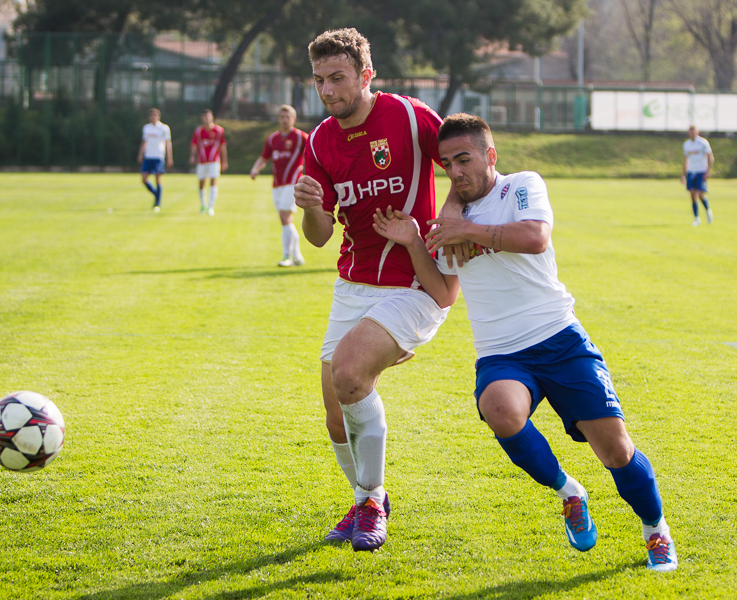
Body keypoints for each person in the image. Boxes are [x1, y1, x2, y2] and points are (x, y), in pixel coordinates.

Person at [372, 112, 678, 572]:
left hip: (559, 338)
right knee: (500, 410)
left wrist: (466, 230)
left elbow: (535, 237)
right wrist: (417, 242)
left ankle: (656, 530)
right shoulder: (446, 223)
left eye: (464, 159)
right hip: (501, 351)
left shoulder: (521, 186)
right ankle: (568, 491)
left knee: (616, 450)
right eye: (446, 164)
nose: (455, 171)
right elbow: (443, 293)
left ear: (490, 155)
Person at [293, 28, 460, 552]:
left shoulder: (409, 116)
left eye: (338, 78)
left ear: (367, 76)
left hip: (415, 281)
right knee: (335, 413)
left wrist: (453, 223)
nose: (327, 90)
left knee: (349, 372)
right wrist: (311, 207)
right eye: (320, 80)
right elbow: (319, 238)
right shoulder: (320, 139)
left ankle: (369, 501)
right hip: (352, 281)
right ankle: (369, 499)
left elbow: (465, 163)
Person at [250, 104, 308, 267]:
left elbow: (316, 151)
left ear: (294, 119)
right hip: (277, 185)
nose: (284, 120)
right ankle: (297, 256)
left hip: (293, 183)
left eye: (288, 117)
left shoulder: (300, 137)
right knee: (286, 220)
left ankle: (286, 256)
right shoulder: (272, 138)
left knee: (284, 217)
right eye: (282, 117)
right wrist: (255, 168)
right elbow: (264, 157)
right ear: (278, 119)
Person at [189, 109, 228, 216]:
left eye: (208, 116)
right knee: (201, 183)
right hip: (201, 161)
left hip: (214, 161)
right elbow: (194, 144)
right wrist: (192, 156)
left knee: (213, 182)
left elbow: (222, 146)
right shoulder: (198, 131)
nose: (206, 118)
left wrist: (224, 161)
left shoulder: (219, 131)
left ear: (212, 117)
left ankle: (211, 206)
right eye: (204, 116)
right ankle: (203, 204)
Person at [138, 108, 173, 212]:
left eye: (155, 116)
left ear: (158, 117)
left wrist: (169, 157)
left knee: (158, 179)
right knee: (144, 179)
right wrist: (140, 154)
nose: (153, 118)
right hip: (148, 156)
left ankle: (158, 202)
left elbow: (168, 143)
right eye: (151, 116)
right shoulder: (146, 128)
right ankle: (156, 194)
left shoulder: (164, 128)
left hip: (158, 156)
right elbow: (144, 142)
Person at [681, 125, 714, 226]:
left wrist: (708, 170)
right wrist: (683, 174)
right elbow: (685, 159)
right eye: (690, 131)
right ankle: (697, 218)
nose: (692, 133)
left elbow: (710, 157)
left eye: (694, 131)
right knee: (692, 195)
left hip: (701, 171)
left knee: (700, 194)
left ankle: (708, 211)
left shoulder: (703, 143)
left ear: (697, 132)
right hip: (691, 171)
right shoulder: (686, 144)